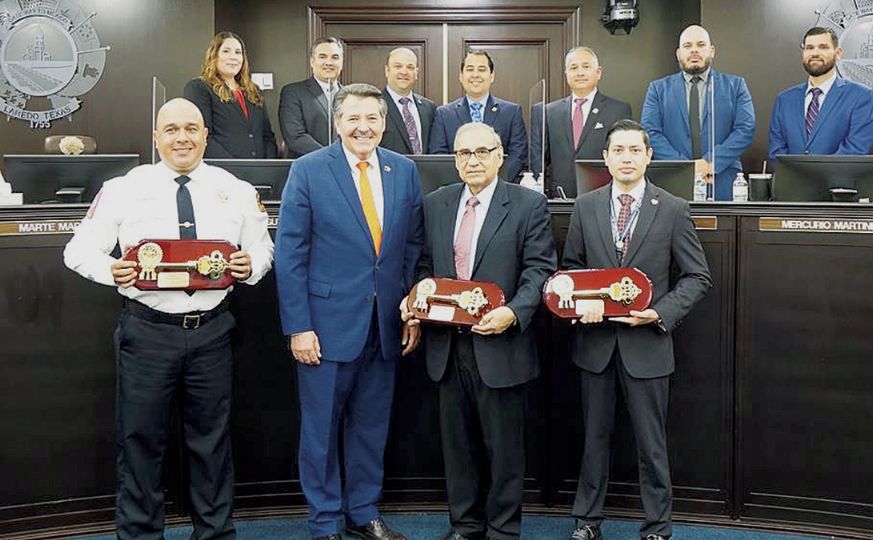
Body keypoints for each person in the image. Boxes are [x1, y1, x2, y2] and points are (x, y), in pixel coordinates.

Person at [63, 98, 274, 540]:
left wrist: (248, 267)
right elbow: (77, 251)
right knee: (140, 443)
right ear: (156, 137)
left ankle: (214, 534)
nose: (182, 138)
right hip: (147, 334)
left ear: (205, 136)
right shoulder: (124, 187)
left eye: (191, 129)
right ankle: (140, 536)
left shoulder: (233, 187)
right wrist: (111, 270)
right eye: (172, 129)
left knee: (212, 443)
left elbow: (262, 249)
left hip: (212, 332)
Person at [275, 83, 423, 540]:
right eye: (353, 118)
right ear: (337, 123)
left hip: (385, 325)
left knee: (371, 427)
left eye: (372, 119)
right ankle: (325, 522)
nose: (364, 127)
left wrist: (411, 310)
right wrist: (299, 327)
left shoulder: (404, 170)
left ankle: (363, 512)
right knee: (320, 432)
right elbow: (291, 253)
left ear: (384, 123)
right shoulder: (308, 169)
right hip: (325, 326)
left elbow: (412, 246)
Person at [403, 122, 557, 540]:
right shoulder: (435, 203)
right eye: (463, 153)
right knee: (457, 446)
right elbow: (422, 266)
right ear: (453, 159)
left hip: (501, 344)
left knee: (505, 449)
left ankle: (503, 530)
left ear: (499, 156)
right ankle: (465, 525)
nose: (472, 161)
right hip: (447, 347)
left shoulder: (528, 205)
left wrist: (513, 312)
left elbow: (539, 271)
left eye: (482, 152)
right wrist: (418, 298)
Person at [562, 119, 711, 540]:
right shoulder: (586, 206)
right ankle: (587, 522)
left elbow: (698, 277)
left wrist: (659, 314)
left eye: (634, 150)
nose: (626, 158)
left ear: (649, 157)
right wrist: (584, 306)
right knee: (594, 440)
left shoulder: (674, 208)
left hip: (647, 344)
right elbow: (572, 270)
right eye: (618, 150)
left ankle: (657, 526)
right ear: (605, 158)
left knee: (651, 443)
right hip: (595, 345)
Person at [640, 25, 755, 201]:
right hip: (671, 183)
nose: (694, 50)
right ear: (678, 54)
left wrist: (711, 163)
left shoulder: (736, 86)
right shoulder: (658, 89)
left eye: (701, 44)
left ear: (712, 51)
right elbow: (650, 133)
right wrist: (687, 168)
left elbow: (745, 130)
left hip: (723, 180)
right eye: (687, 46)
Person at [768, 27, 873, 166]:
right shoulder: (784, 100)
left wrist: (816, 178)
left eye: (823, 47)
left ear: (838, 53)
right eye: (809, 48)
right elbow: (777, 152)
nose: (815, 53)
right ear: (803, 54)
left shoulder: (861, 96)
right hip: (793, 186)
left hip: (838, 185)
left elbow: (855, 149)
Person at [530, 47, 632, 198]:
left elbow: (623, 154)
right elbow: (538, 160)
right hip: (560, 197)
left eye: (586, 66)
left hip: (603, 196)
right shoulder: (548, 112)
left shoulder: (618, 110)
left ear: (598, 72)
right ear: (566, 74)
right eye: (573, 68)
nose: (580, 73)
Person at [429, 49, 527, 182]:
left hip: (501, 190)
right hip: (458, 190)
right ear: (461, 76)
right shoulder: (444, 114)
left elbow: (518, 155)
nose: (475, 75)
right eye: (470, 69)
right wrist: (466, 183)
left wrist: (494, 182)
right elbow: (438, 156)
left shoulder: (511, 112)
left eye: (481, 69)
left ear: (491, 76)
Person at [183, 31, 278, 159]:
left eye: (238, 52)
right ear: (214, 55)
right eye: (226, 51)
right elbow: (202, 136)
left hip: (259, 172)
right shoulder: (199, 88)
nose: (233, 57)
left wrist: (268, 167)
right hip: (222, 171)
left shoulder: (253, 90)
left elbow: (267, 136)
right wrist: (234, 169)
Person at [279, 36, 344, 158]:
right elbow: (295, 137)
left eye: (335, 57)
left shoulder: (351, 95)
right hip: (309, 166)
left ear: (341, 62)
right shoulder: (293, 92)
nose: (329, 62)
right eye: (322, 57)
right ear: (312, 61)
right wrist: (331, 157)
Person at [380, 47, 437, 155]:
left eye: (410, 67)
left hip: (425, 171)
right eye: (398, 66)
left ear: (416, 72)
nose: (404, 72)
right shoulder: (375, 105)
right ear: (387, 70)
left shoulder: (429, 107)